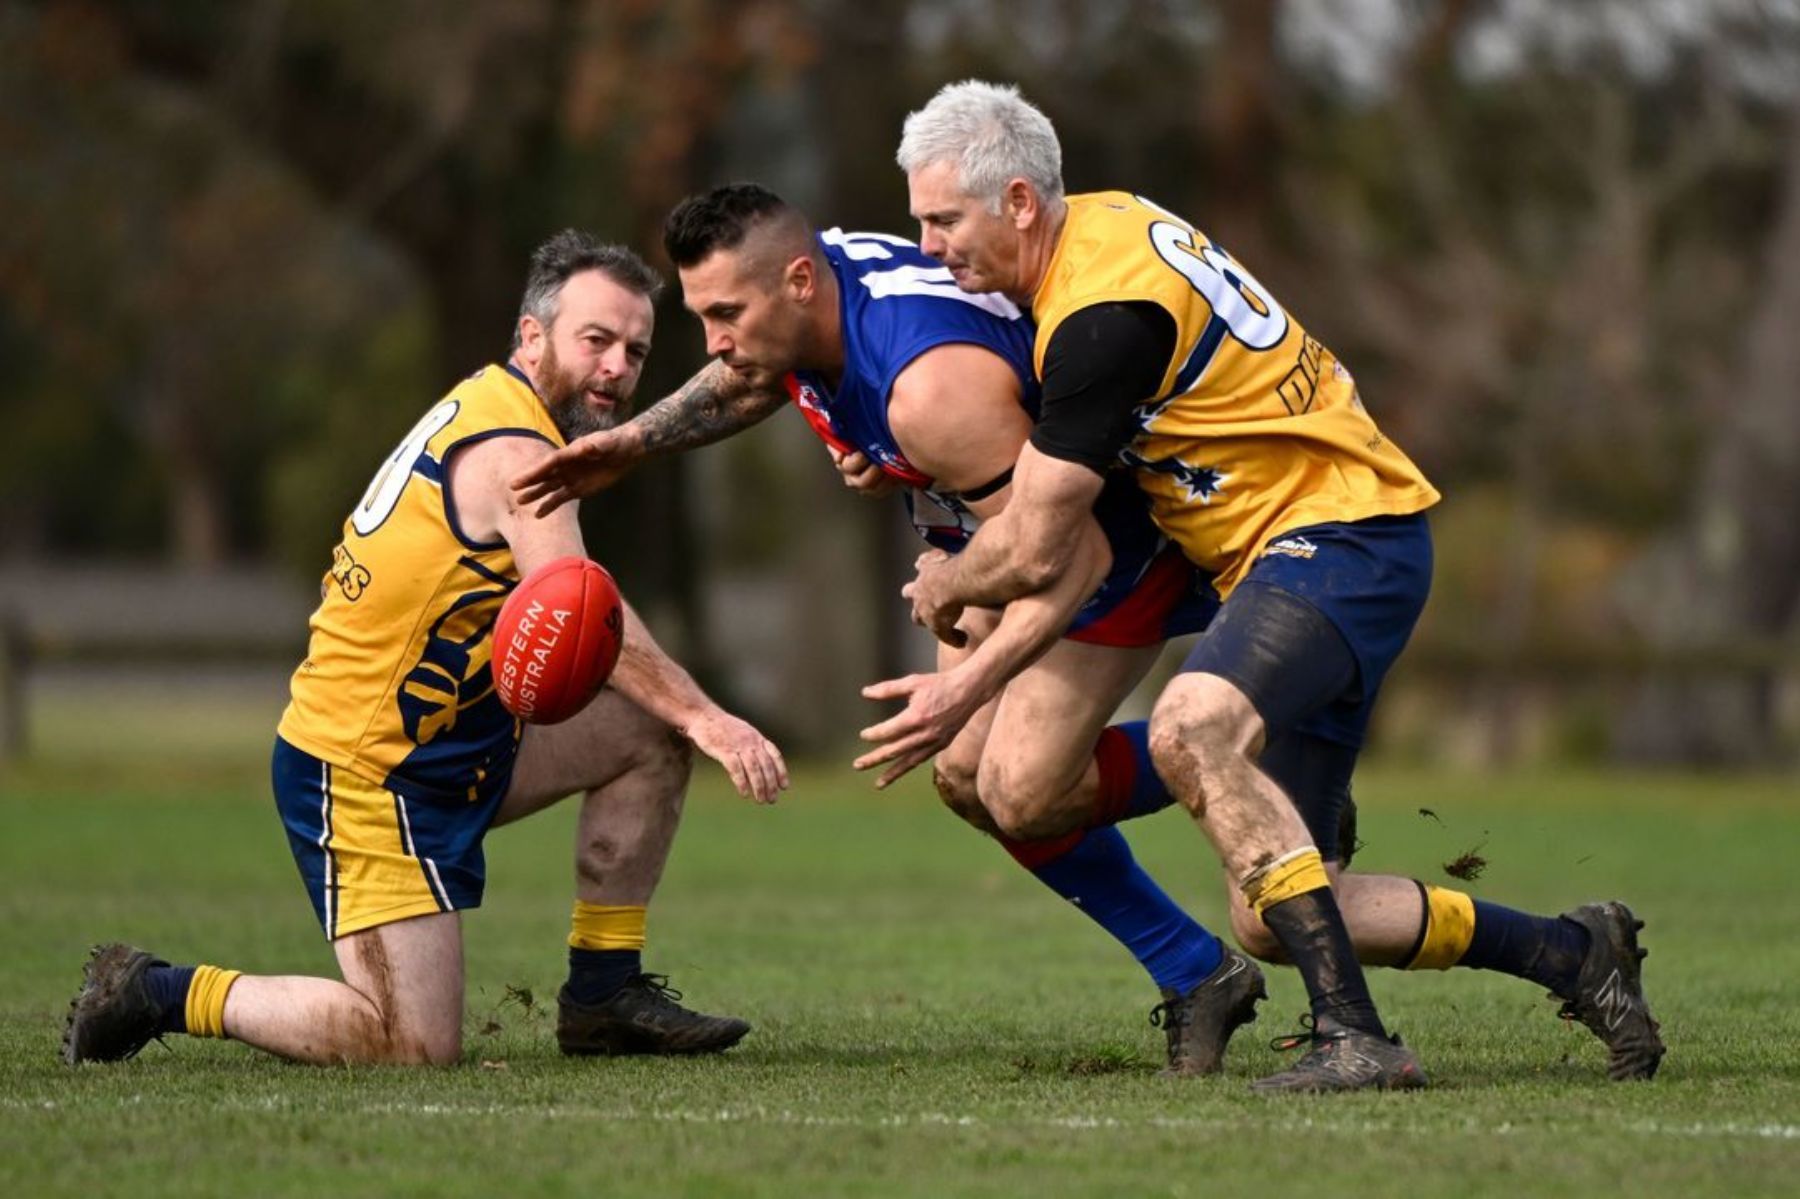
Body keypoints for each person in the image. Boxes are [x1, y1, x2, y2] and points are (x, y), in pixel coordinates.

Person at [866, 80, 1665, 1092]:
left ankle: (1356, 1037)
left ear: (1019, 201)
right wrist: (897, 458)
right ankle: (1573, 952)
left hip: (1339, 538)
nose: (931, 246)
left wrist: (946, 581)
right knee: (1272, 914)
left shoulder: (1103, 312)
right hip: (1299, 558)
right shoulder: (1100, 233)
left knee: (1191, 724)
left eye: (943, 220)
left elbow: (1030, 542)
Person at [513, 183, 1271, 1076]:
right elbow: (754, 376)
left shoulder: (927, 390)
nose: (714, 340)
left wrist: (965, 681)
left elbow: (1068, 557)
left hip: (1103, 548)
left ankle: (1234, 754)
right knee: (963, 777)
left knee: (1023, 791)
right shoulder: (816, 291)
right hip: (990, 539)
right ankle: (1199, 968)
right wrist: (635, 442)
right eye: (703, 314)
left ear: (798, 281)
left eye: (727, 314)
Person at [63, 231, 789, 1068]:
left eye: (635, 350)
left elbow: (578, 611)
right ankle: (156, 990)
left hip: (458, 739)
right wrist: (709, 716)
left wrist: (682, 715)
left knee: (647, 732)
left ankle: (603, 994)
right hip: (367, 770)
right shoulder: (515, 452)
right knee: (409, 1042)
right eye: (596, 339)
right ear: (531, 336)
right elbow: (585, 614)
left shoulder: (504, 408)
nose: (617, 368)